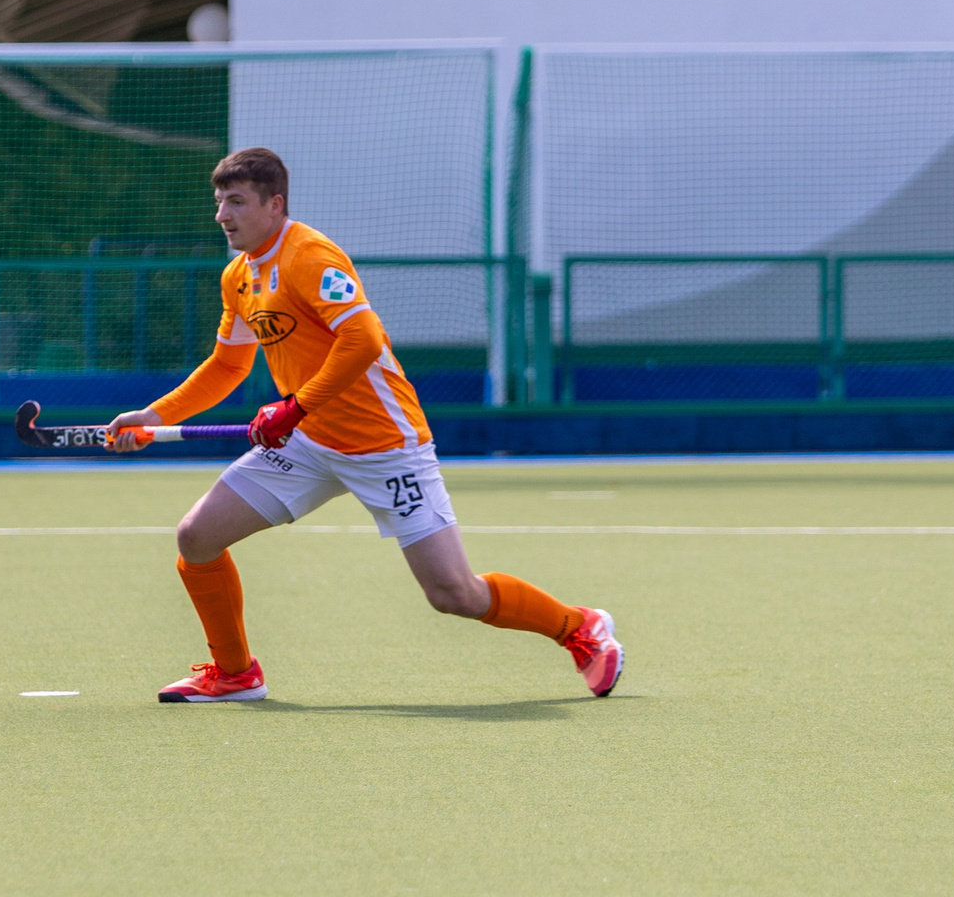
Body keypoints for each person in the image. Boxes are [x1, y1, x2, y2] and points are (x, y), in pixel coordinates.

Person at [106, 148, 624, 703]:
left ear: (274, 204)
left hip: (384, 444)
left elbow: (364, 339)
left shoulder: (310, 256)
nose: (222, 216)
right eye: (218, 202)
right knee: (197, 537)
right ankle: (235, 674)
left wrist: (295, 407)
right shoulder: (239, 275)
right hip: (308, 443)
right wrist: (155, 416)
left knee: (453, 593)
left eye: (236, 202)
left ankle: (579, 629)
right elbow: (229, 365)